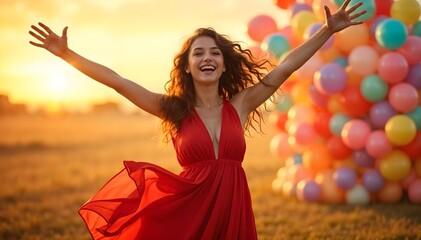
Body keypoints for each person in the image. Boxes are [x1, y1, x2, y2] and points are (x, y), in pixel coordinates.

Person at [29, 0, 365, 239]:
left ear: (223, 64)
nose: (207, 57)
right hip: (190, 210)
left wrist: (326, 31)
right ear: (188, 66)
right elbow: (118, 81)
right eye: (198, 53)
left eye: (214, 52)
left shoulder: (242, 103)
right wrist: (67, 54)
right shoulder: (173, 109)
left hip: (234, 207)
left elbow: (285, 68)